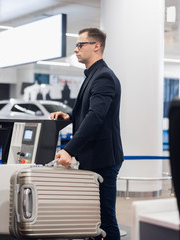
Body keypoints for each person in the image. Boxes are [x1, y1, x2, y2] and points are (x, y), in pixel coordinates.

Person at [50, 28, 124, 240]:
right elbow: (87, 111)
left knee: (106, 219)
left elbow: (95, 117)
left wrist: (68, 150)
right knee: (93, 218)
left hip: (103, 159)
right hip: (93, 157)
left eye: (80, 45)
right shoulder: (93, 75)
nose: (76, 49)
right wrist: (69, 116)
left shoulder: (104, 77)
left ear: (96, 46)